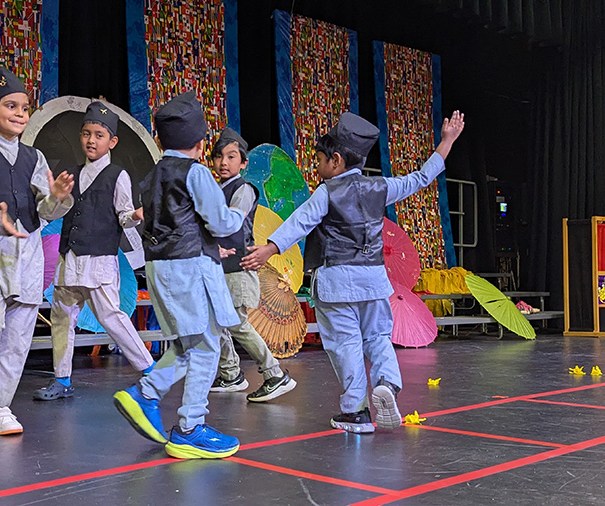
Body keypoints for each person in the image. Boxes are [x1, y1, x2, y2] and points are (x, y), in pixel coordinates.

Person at [241, 111, 465, 433]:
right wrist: (447, 141)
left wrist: (270, 248)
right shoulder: (380, 188)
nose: (316, 168)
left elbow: (300, 223)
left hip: (335, 281)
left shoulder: (327, 192)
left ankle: (356, 413)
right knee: (378, 338)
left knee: (345, 344)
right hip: (373, 280)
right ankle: (387, 382)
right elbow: (420, 178)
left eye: (319, 161)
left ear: (335, 160)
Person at [113, 92, 246, 459]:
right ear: (202, 144)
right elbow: (219, 223)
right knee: (205, 345)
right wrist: (239, 212)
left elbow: (173, 223)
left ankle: (149, 394)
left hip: (160, 266)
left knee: (190, 343)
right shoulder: (196, 172)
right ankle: (187, 426)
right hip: (189, 268)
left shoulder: (151, 174)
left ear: (159, 139)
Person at [0, 67, 75, 435]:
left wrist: (57, 198)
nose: (20, 113)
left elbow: (44, 211)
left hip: (28, 258)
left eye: (25, 107)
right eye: (11, 106)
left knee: (19, 336)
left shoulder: (35, 158)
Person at [34, 101, 154, 401]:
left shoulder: (118, 175)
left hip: (99, 261)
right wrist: (55, 196)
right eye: (87, 133)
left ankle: (151, 372)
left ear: (111, 140)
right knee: (62, 319)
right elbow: (52, 212)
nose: (91, 140)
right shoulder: (71, 173)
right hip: (69, 260)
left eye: (99, 135)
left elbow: (124, 215)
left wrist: (136, 216)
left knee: (112, 317)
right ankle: (61, 379)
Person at [209, 127, 297, 402]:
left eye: (231, 157)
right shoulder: (216, 189)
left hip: (237, 266)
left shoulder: (243, 189)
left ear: (243, 163)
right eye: (219, 157)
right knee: (216, 323)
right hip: (219, 267)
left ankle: (274, 374)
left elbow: (232, 222)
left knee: (235, 322)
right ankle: (231, 373)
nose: (224, 163)